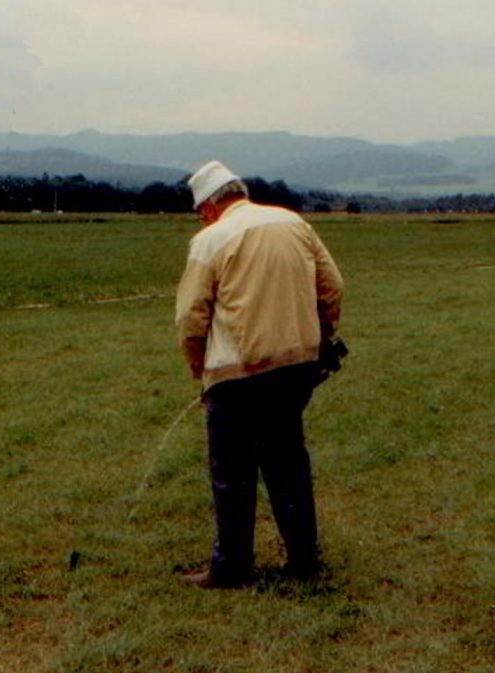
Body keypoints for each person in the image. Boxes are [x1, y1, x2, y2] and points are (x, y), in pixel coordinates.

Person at [175, 160, 344, 588]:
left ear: (211, 206)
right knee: (288, 463)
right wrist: (323, 339)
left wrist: (200, 371)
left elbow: (191, 318)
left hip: (235, 374)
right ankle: (303, 561)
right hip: (296, 367)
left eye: (200, 211)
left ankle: (230, 568)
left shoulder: (209, 240)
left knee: (231, 473)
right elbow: (332, 287)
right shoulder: (294, 223)